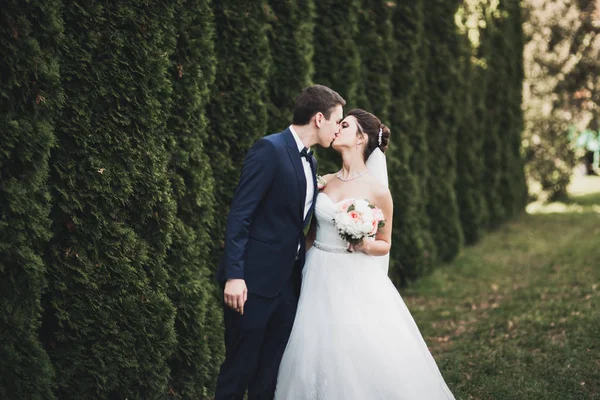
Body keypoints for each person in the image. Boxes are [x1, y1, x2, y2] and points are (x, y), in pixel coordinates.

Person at [274, 109, 456, 399]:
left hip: (353, 278)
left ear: (360, 138)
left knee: (352, 346)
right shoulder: (325, 180)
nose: (337, 128)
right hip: (316, 273)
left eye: (344, 125)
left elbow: (385, 243)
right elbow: (310, 235)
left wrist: (363, 244)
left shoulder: (378, 191)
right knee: (311, 343)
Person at [214, 85, 346, 400]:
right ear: (318, 118)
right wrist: (235, 274)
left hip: (288, 286)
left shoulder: (311, 162)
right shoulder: (269, 149)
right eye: (337, 121)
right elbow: (241, 215)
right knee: (238, 370)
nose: (338, 129)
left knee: (271, 374)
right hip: (252, 284)